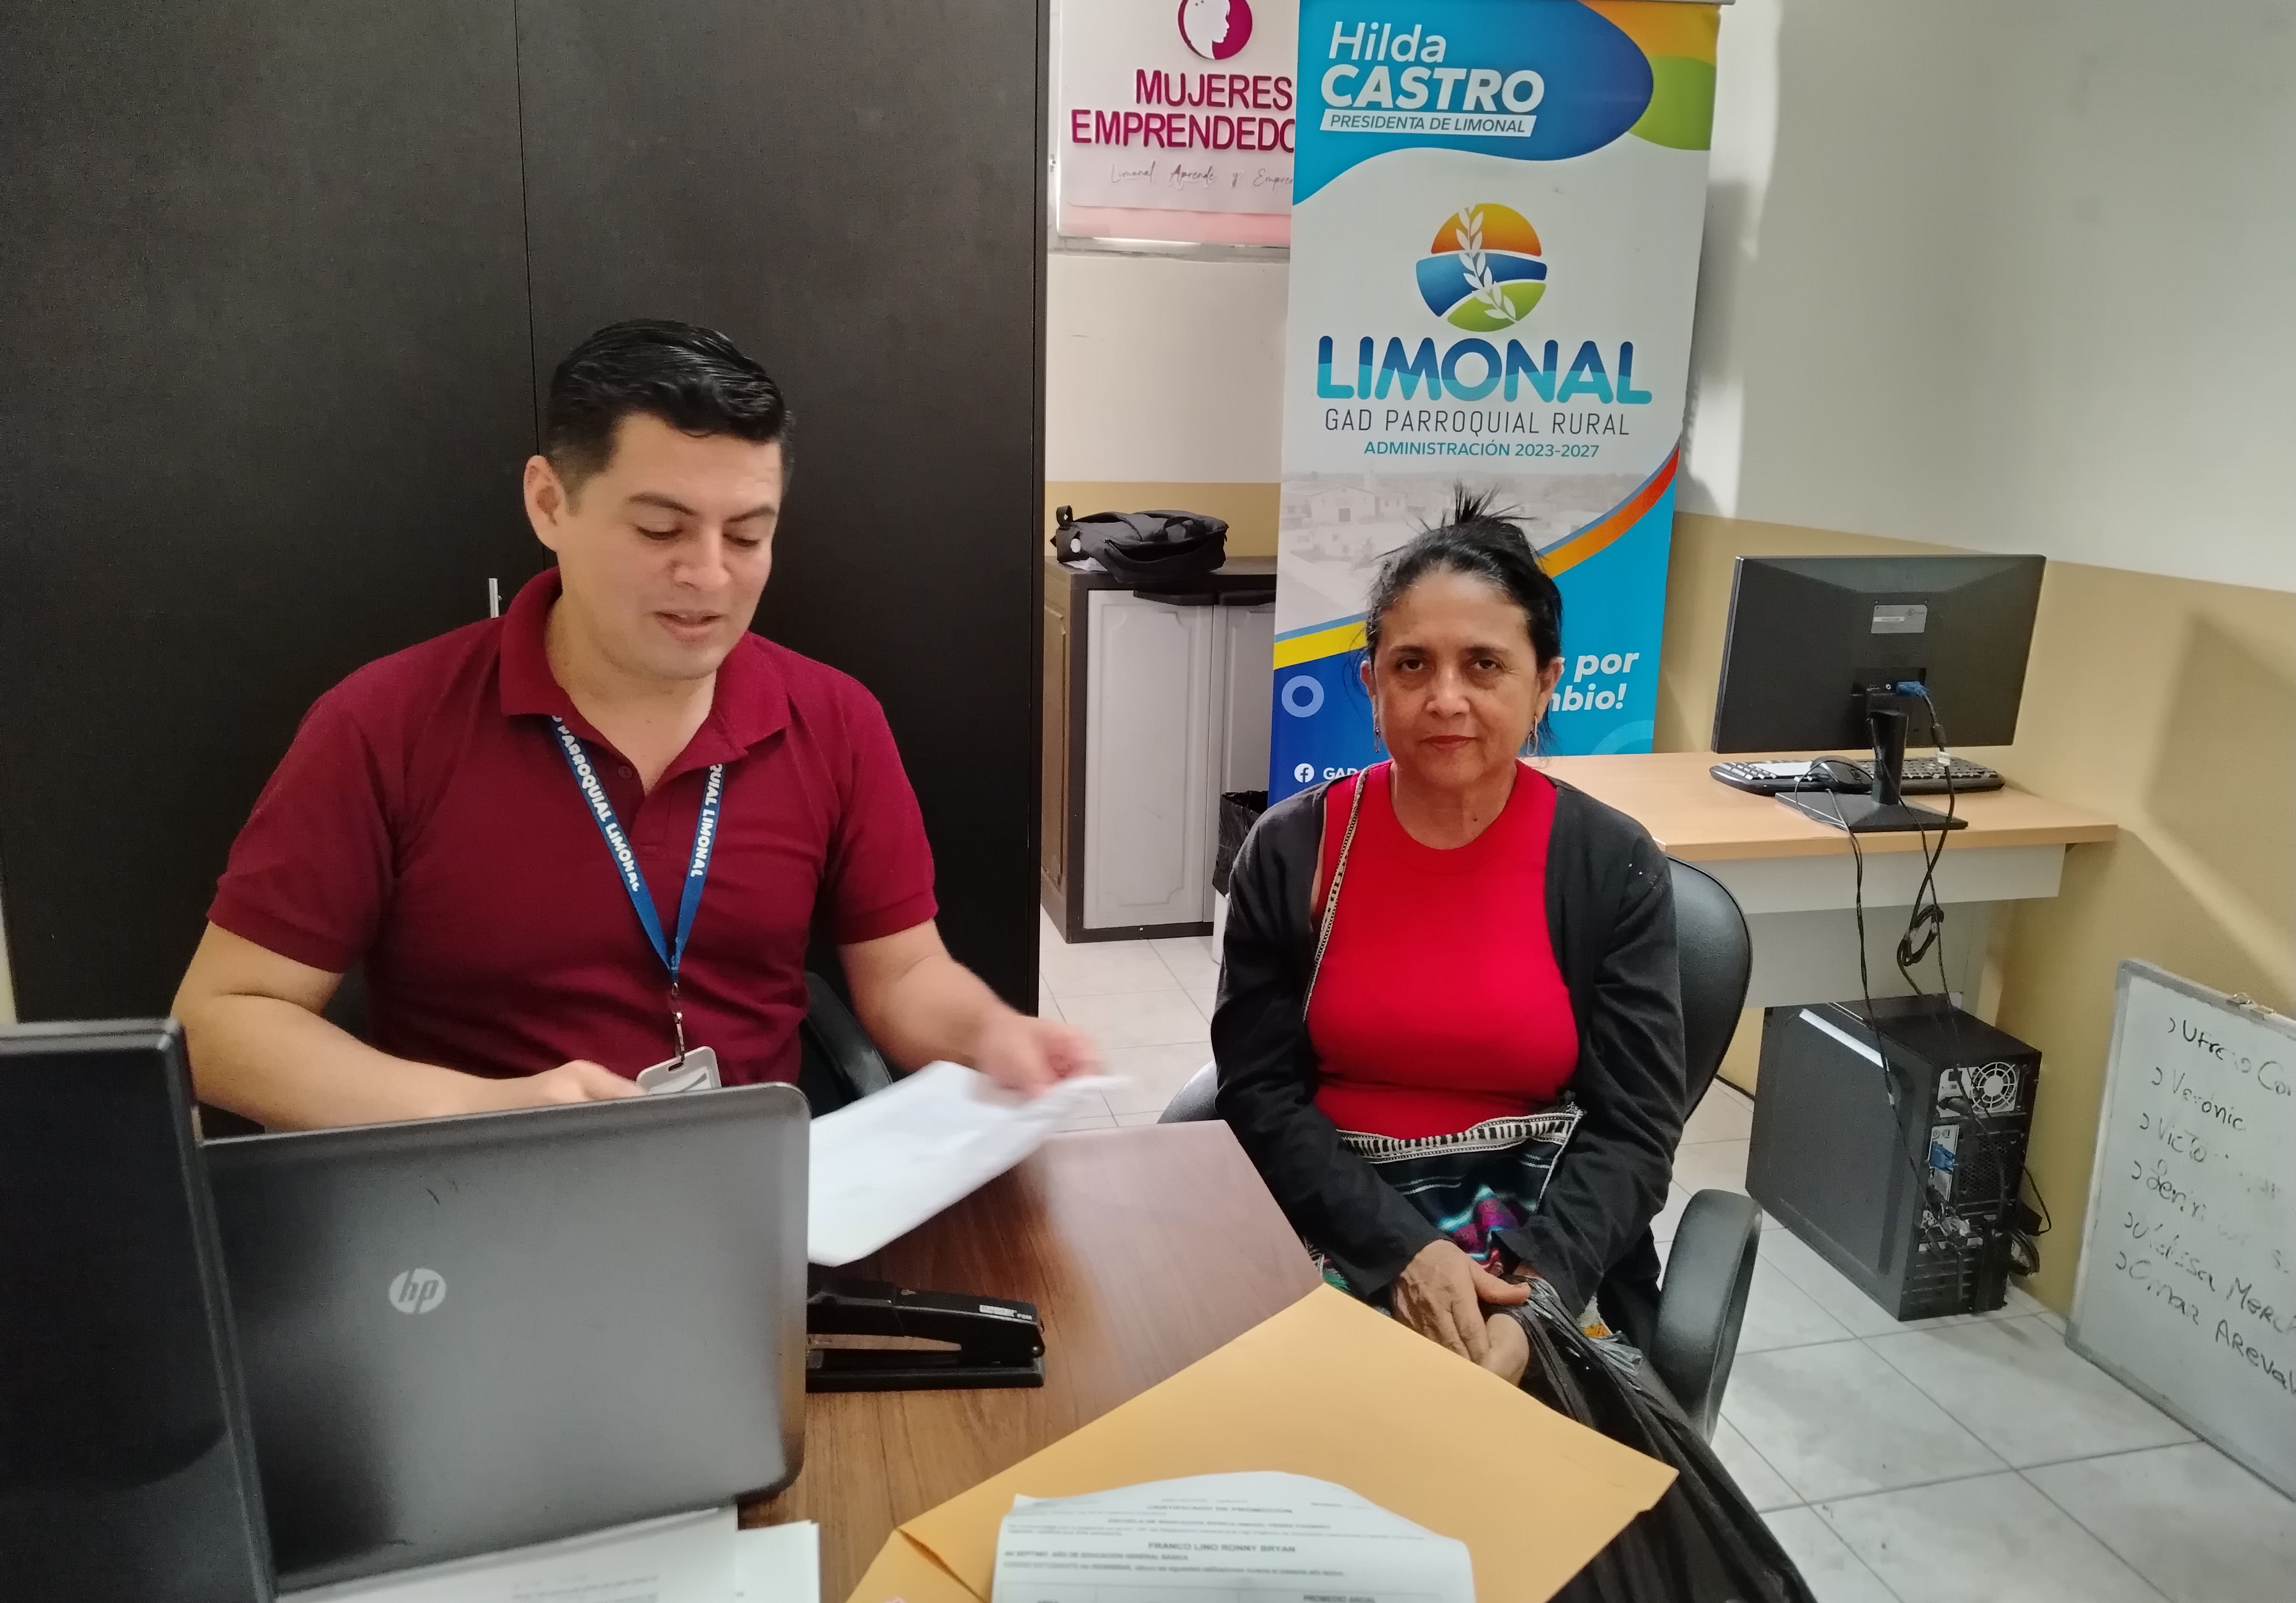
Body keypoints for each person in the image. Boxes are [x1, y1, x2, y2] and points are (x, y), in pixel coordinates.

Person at [174, 319, 1097, 1129]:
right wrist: (486, 1112)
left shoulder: (835, 720)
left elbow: (902, 975)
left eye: (747, 535)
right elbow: (220, 1025)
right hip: (479, 1194)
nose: (710, 575)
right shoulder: (386, 724)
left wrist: (991, 1032)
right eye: (661, 530)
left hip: (751, 1196)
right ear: (550, 504)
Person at [1212, 496, 1685, 1385]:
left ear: (1545, 685)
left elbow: (1633, 1130)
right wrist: (1402, 1252)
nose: (1446, 698)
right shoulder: (1293, 850)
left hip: (1543, 1246)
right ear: (1371, 685)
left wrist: (1531, 1303)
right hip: (1333, 1221)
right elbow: (1260, 1093)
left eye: (1485, 664)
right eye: (1412, 664)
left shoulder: (1610, 865)